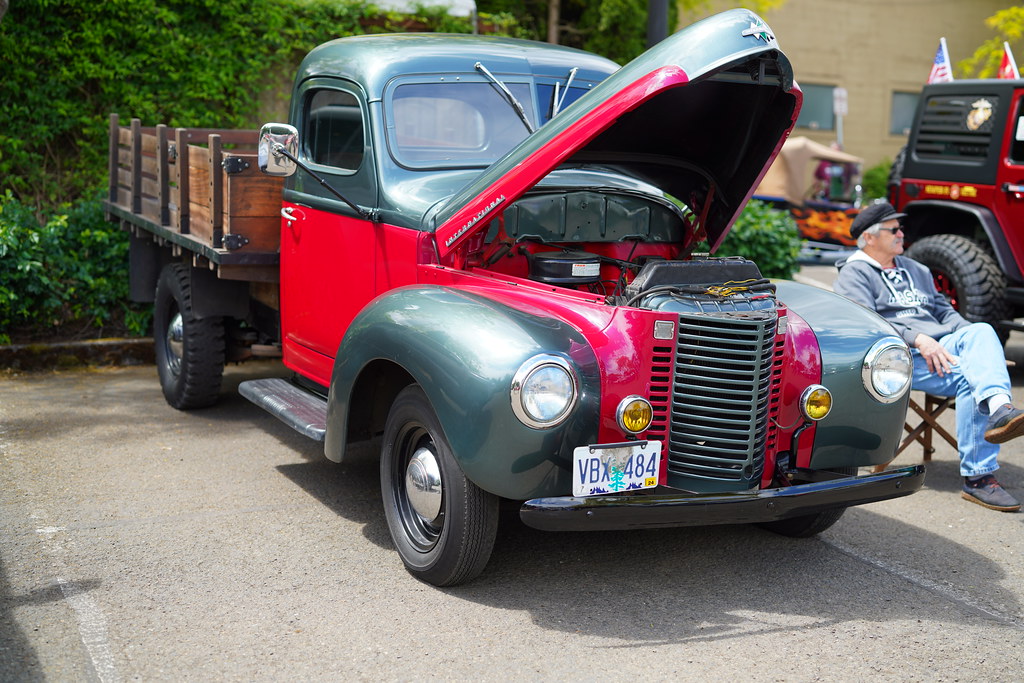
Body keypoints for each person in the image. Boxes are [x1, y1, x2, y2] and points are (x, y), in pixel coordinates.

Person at [833, 201, 1022, 512]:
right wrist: (917, 338)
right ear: (869, 237)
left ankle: (1000, 407)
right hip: (898, 357)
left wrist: (971, 345)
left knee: (982, 331)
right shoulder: (855, 273)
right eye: (893, 229)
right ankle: (979, 479)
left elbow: (943, 310)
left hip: (940, 347)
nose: (901, 233)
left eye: (900, 228)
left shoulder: (915, 269)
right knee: (969, 378)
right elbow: (865, 322)